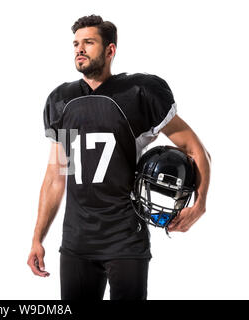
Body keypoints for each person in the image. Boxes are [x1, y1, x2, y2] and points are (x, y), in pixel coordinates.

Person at [27, 14, 211, 300]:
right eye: (76, 43)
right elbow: (56, 176)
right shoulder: (62, 101)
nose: (79, 49)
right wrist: (37, 238)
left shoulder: (137, 94)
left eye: (89, 42)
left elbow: (196, 150)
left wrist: (200, 204)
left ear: (110, 50)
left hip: (125, 239)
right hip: (77, 242)